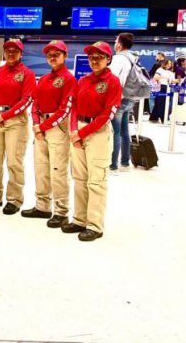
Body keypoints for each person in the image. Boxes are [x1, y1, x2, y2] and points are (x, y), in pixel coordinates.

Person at [64, 41, 121, 242]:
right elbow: (74, 107)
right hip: (79, 130)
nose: (95, 61)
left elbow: (107, 114)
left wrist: (82, 133)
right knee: (79, 178)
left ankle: (94, 225)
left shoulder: (113, 82)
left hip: (98, 134)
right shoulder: (83, 80)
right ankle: (80, 220)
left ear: (108, 59)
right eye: (91, 57)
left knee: (96, 181)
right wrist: (74, 131)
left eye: (99, 57)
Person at [22, 40, 76, 228]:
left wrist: (43, 126)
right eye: (49, 55)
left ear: (65, 56)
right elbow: (35, 103)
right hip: (41, 128)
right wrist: (36, 124)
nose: (53, 58)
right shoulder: (44, 79)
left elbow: (65, 108)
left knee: (58, 170)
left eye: (57, 54)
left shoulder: (69, 79)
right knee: (41, 168)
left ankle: (61, 211)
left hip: (57, 127)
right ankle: (42, 206)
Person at [0, 38, 35, 215]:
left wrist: (4, 116)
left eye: (15, 50)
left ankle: (14, 199)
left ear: (21, 54)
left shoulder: (27, 74)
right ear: (4, 52)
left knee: (14, 162)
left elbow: (26, 100)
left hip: (15, 121)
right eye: (8, 50)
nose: (11, 53)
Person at [108, 33, 136, 173]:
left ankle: (113, 165)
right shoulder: (133, 58)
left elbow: (111, 79)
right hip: (129, 98)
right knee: (125, 131)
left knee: (116, 132)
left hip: (118, 99)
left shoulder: (118, 58)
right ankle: (125, 163)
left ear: (119, 44)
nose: (114, 43)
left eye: (115, 41)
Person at [149, 59, 177, 123]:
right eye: (168, 63)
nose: (169, 65)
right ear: (164, 63)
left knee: (161, 103)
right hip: (161, 87)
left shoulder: (170, 72)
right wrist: (166, 78)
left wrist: (178, 80)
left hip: (167, 88)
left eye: (170, 64)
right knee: (161, 103)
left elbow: (172, 80)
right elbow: (155, 77)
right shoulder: (160, 70)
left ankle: (154, 117)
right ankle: (163, 118)